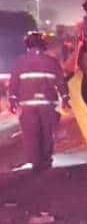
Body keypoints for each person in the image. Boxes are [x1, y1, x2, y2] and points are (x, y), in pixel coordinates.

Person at [6, 32, 67, 170]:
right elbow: (61, 82)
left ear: (27, 45)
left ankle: (36, 163)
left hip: (27, 106)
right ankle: (46, 162)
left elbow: (14, 83)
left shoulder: (20, 62)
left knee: (31, 135)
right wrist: (65, 98)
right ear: (43, 45)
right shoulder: (51, 62)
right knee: (47, 134)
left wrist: (12, 101)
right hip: (47, 105)